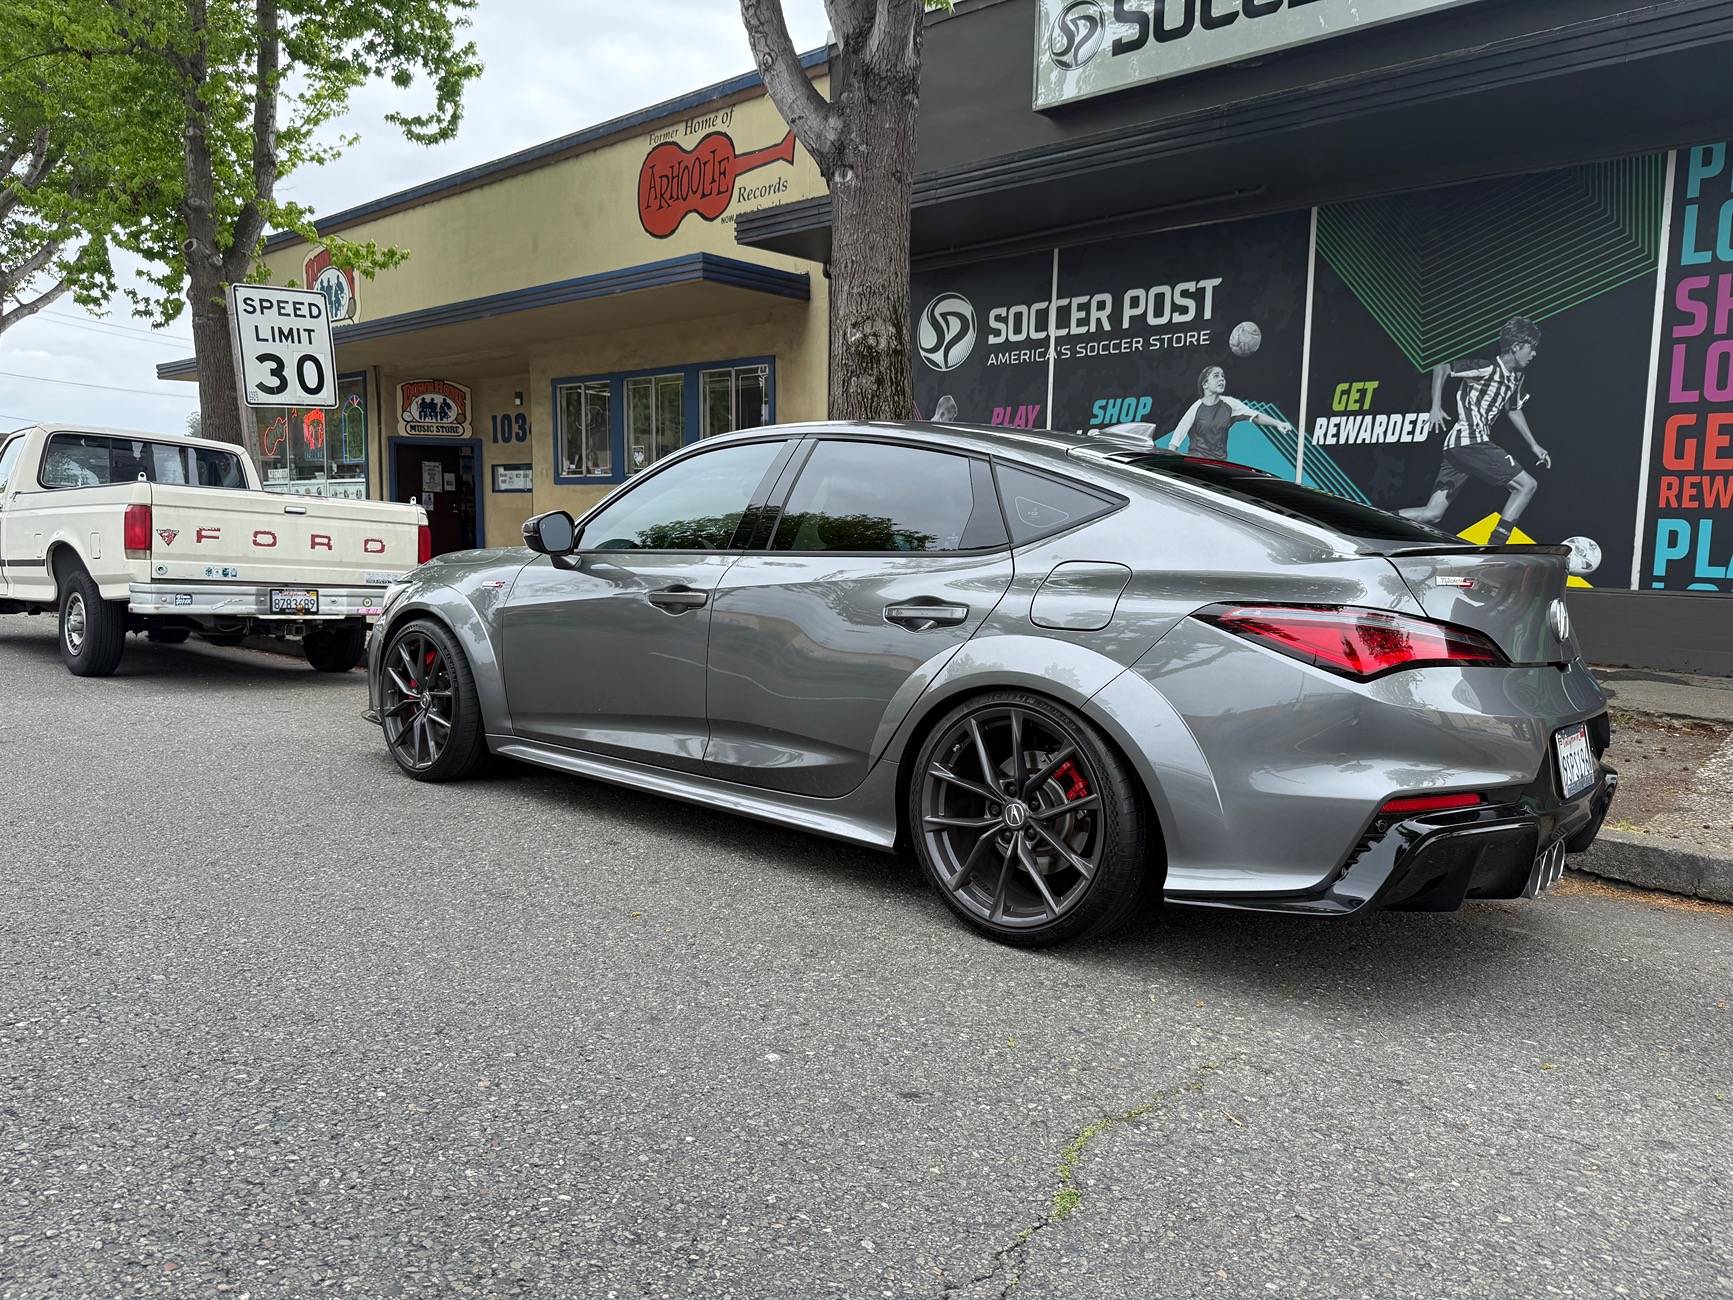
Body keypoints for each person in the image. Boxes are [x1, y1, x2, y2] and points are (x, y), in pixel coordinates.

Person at [1401, 317, 1551, 545]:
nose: (1534, 355)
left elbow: (1512, 410)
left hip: (1458, 449)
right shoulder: (1487, 367)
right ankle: (1494, 549)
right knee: (1527, 485)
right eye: (1531, 349)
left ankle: (1374, 524)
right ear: (1516, 347)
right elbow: (1442, 368)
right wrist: (1435, 406)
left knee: (1432, 514)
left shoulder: (1516, 377)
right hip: (1469, 442)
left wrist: (1534, 445)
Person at [1166, 365, 1294, 461]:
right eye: (1216, 376)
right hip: (1197, 465)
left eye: (1223, 376)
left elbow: (1256, 416)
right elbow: (1176, 439)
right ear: (1205, 384)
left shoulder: (1230, 404)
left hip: (1221, 466)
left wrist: (1277, 423)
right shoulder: (1196, 408)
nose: (1221, 379)